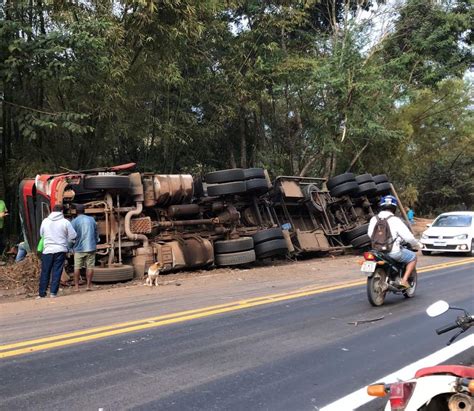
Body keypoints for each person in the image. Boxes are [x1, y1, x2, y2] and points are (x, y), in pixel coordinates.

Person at [368, 195, 423, 289]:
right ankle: (404, 280)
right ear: (394, 207)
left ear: (382, 206)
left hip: (377, 251)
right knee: (413, 257)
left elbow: (370, 234)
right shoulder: (395, 220)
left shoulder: (374, 219)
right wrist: (418, 245)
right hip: (393, 252)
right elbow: (409, 238)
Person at [38, 204, 77, 298]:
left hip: (47, 250)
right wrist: (67, 240)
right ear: (62, 212)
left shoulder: (45, 221)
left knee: (45, 272)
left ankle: (42, 293)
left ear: (52, 211)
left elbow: (41, 234)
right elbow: (73, 236)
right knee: (57, 271)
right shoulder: (65, 222)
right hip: (60, 250)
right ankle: (53, 293)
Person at [71, 204, 98, 291]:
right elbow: (96, 233)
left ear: (76, 212)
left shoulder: (74, 222)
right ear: (84, 211)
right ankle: (88, 286)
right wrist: (96, 241)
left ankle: (76, 287)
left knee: (77, 267)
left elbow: (71, 236)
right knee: (90, 267)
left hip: (79, 248)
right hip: (91, 247)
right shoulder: (92, 220)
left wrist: (70, 248)